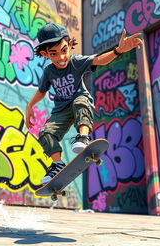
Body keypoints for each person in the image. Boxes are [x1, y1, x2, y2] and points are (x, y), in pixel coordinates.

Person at [26, 23, 143, 184]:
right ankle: (57, 164)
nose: (61, 58)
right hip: (61, 111)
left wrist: (118, 51)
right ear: (45, 54)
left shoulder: (76, 62)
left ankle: (83, 136)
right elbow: (41, 91)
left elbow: (98, 60)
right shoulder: (48, 71)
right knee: (46, 132)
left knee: (80, 102)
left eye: (64, 50)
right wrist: (29, 106)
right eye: (54, 54)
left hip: (80, 101)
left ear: (70, 45)